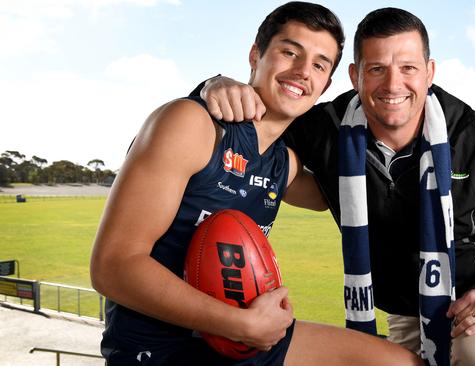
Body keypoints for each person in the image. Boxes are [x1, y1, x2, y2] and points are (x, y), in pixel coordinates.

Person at [193, 7, 475, 366]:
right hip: (401, 304)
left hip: (473, 292)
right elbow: (257, 123)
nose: (393, 84)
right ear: (354, 76)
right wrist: (213, 85)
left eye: (408, 67)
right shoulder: (323, 129)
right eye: (376, 69)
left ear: (430, 72)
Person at [90, 2, 423, 365]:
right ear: (255, 55)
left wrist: (393, 112)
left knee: (399, 362)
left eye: (318, 64)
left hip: (248, 339)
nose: (301, 72)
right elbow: (113, 266)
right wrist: (240, 324)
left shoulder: (285, 163)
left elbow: (345, 193)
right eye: (289, 52)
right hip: (162, 350)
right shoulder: (192, 125)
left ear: (326, 84)